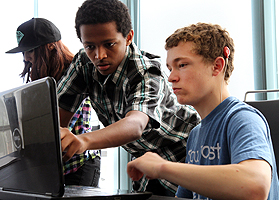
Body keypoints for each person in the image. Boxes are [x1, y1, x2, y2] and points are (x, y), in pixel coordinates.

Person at [56, 0, 200, 196]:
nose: (99, 55)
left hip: (187, 156)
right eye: (90, 46)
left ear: (129, 37)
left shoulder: (146, 72)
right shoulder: (83, 64)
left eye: (109, 44)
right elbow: (58, 115)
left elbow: (135, 125)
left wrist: (84, 141)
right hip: (146, 161)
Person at [126, 22, 279, 200]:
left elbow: (256, 187)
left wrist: (162, 167)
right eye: (170, 68)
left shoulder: (243, 119)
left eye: (182, 65)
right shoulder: (195, 134)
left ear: (217, 66)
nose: (171, 77)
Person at [5, 18, 101, 187]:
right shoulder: (42, 80)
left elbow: (59, 123)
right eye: (24, 52)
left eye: (31, 51)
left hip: (79, 165)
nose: (26, 58)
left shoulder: (75, 72)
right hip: (55, 166)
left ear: (50, 46)